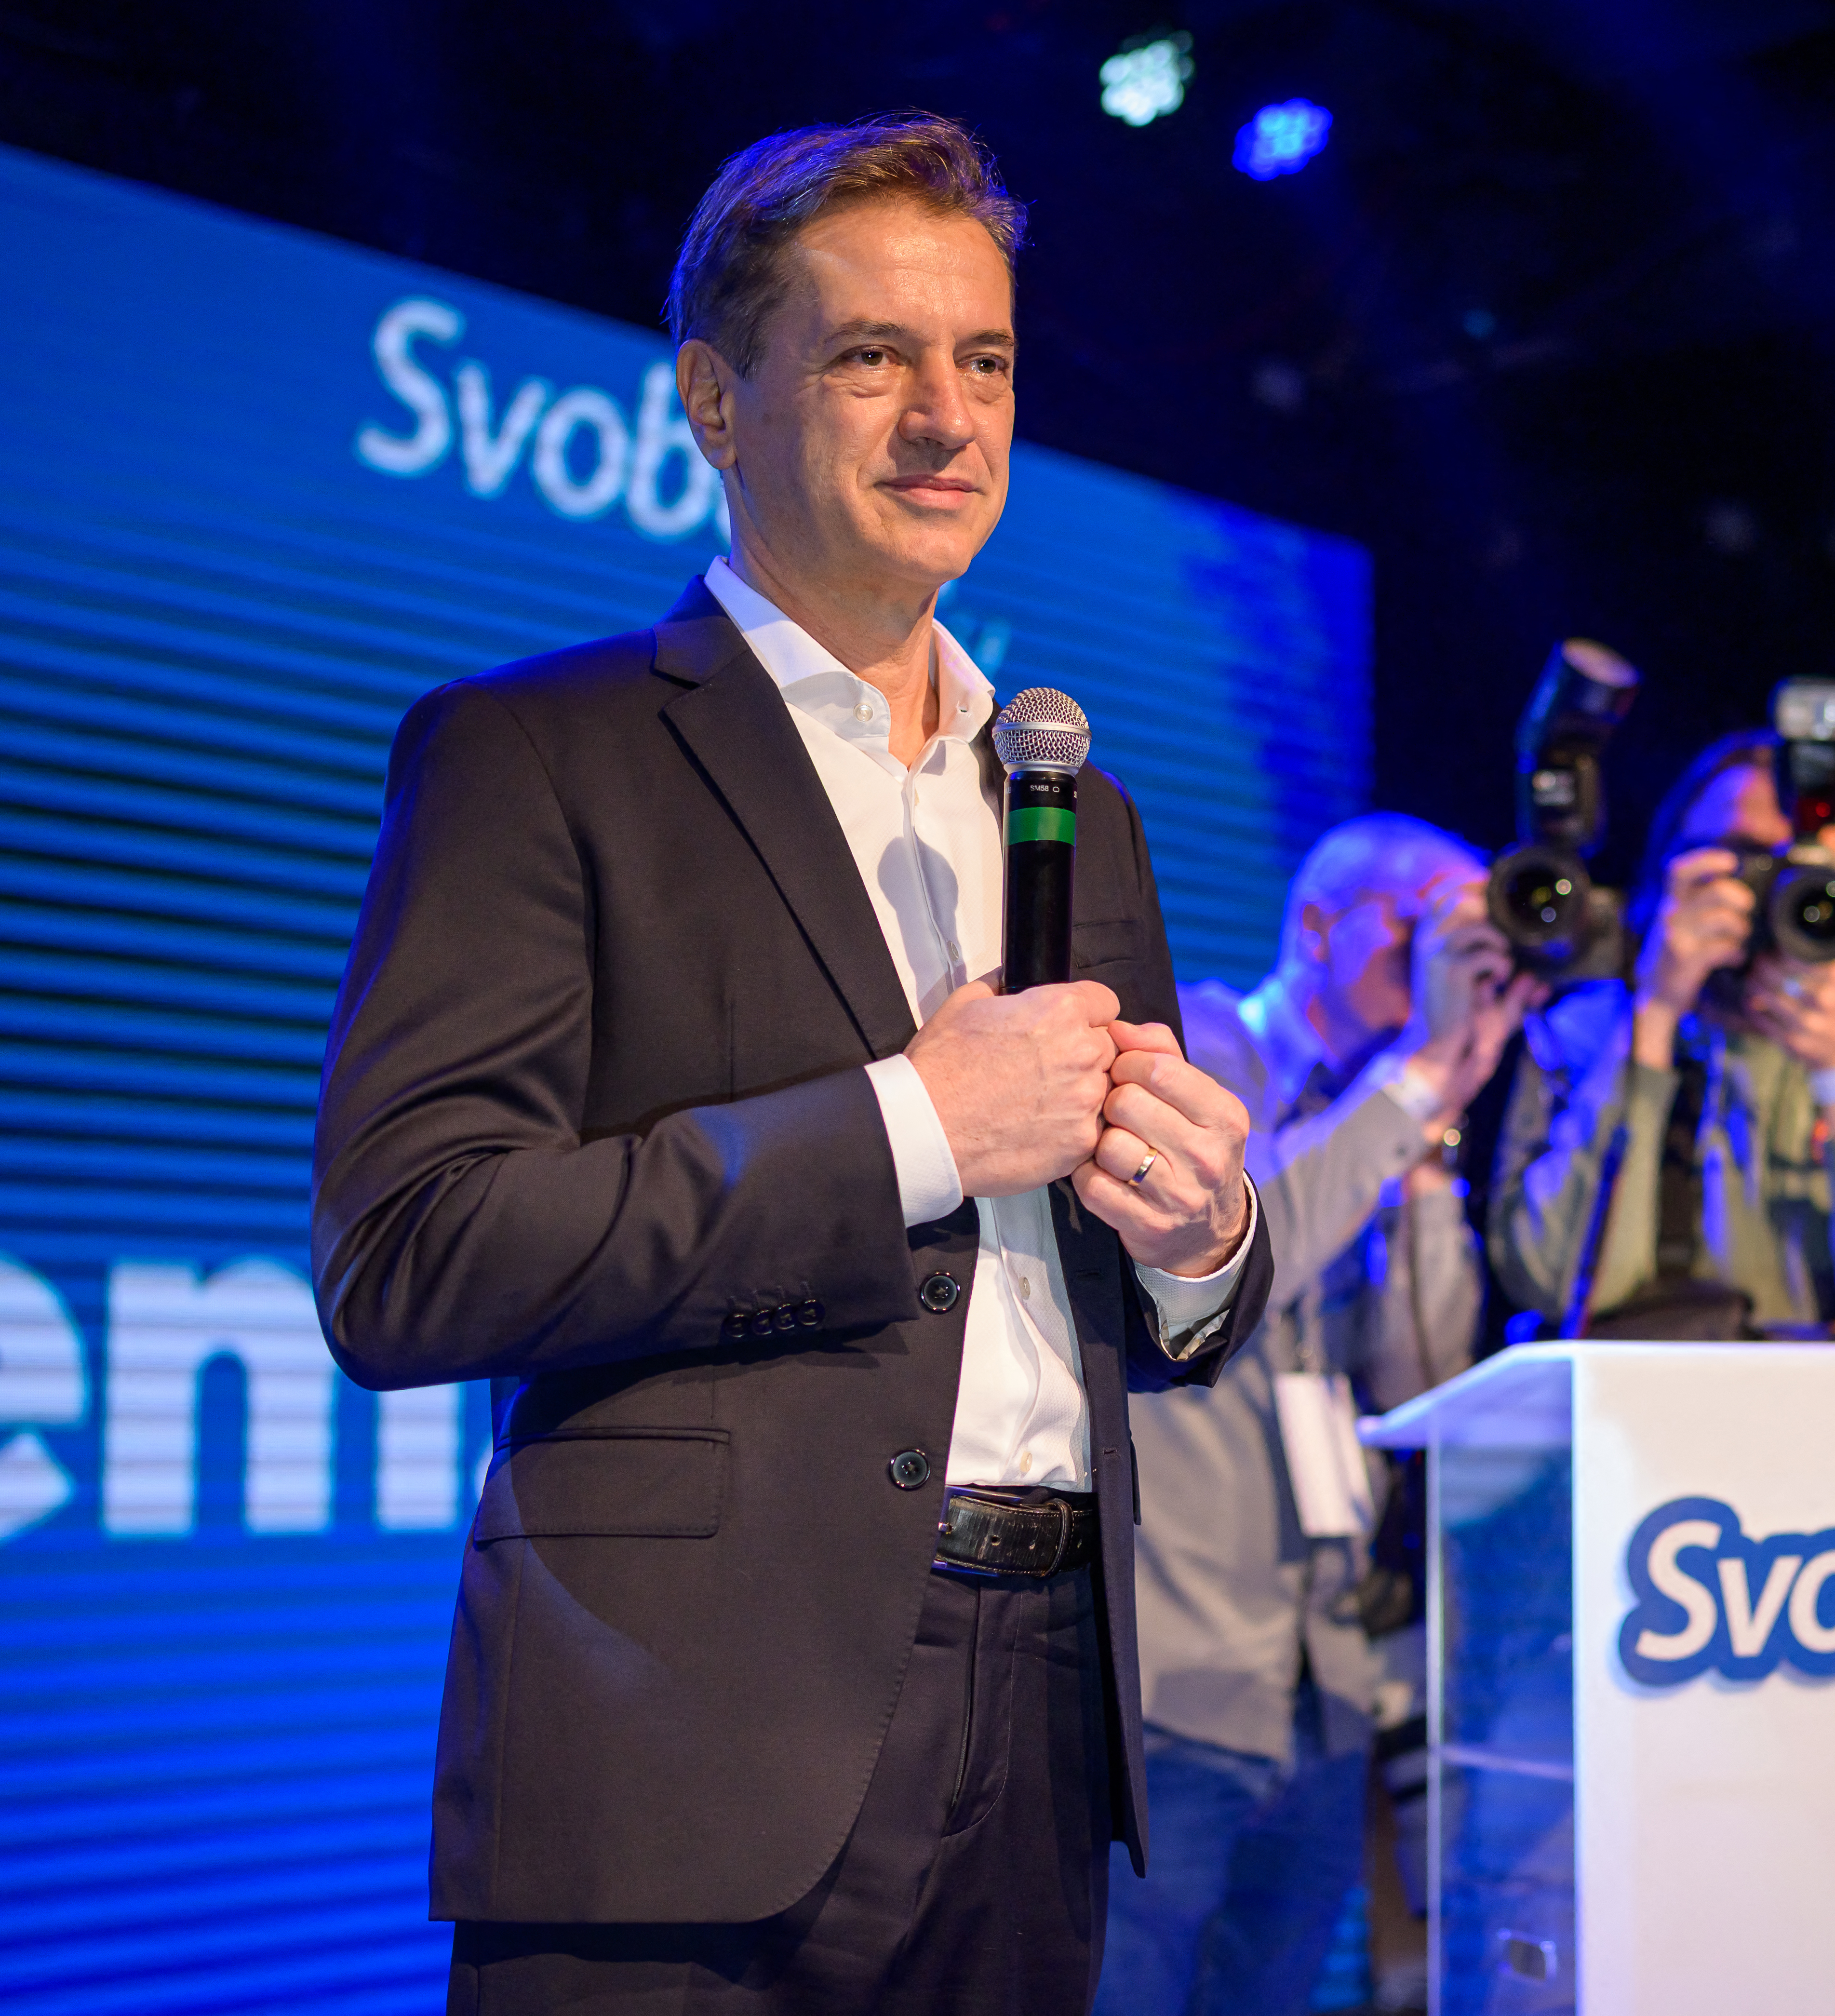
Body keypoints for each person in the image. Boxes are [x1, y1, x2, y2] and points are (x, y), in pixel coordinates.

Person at [310, 117, 1273, 2016]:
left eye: (982, 360)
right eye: (870, 356)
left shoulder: (1083, 806)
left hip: (1049, 1720)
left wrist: (1200, 1243)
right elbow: (407, 1252)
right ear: (712, 402)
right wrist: (915, 1120)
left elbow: (1152, 1311)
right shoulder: (538, 751)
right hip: (677, 1733)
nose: (945, 416)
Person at [1095, 813, 1535, 2016]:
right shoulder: (1193, 1042)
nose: (1454, 957)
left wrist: (1432, 1143)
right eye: (1425, 923)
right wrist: (1416, 1085)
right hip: (1176, 1681)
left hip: (1327, 1691)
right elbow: (1245, 1243)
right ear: (1315, 926)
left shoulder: (1397, 1116)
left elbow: (1420, 1376)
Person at [1489, 730, 1835, 1342]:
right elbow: (1555, 1285)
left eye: (1796, 869)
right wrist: (1652, 1016)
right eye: (1736, 859)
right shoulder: (1577, 1039)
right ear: (1669, 874)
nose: (1767, 894)